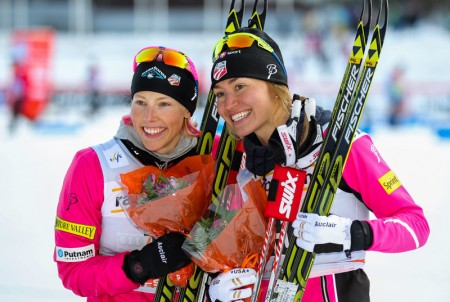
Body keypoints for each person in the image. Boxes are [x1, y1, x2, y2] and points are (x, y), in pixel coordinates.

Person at [206, 27, 430, 302]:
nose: (228, 104)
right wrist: (217, 285)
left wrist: (352, 233)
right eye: (219, 94)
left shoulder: (339, 144)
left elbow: (416, 225)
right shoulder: (236, 158)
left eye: (240, 86)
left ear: (275, 85)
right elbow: (219, 245)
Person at [54, 46, 203, 301]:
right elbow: (73, 271)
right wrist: (138, 266)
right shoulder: (92, 165)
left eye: (164, 104)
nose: (148, 117)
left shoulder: (217, 156)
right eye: (140, 102)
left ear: (186, 112)